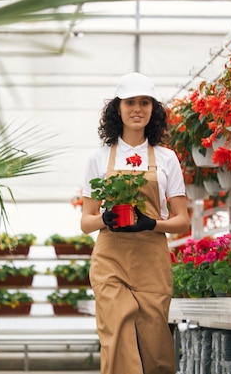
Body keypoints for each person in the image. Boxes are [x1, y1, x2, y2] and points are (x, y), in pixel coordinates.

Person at [80, 72, 190, 374]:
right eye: (130, 102)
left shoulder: (167, 158)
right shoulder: (99, 158)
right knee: (117, 341)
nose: (137, 109)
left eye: (145, 102)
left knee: (157, 354)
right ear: (118, 108)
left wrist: (150, 223)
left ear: (154, 109)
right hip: (110, 261)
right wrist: (104, 218)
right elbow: (86, 222)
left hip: (151, 264)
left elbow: (182, 221)